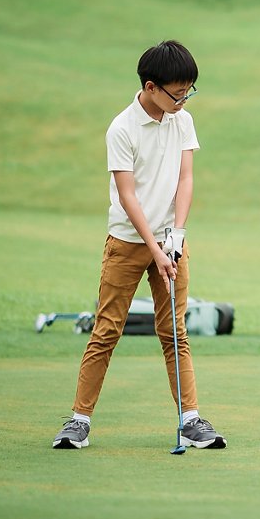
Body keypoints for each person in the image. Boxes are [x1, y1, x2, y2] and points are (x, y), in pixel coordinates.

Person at [52, 40, 226, 450]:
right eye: (177, 93)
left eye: (188, 92)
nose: (184, 100)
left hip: (170, 240)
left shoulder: (183, 121)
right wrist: (154, 248)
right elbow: (128, 197)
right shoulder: (122, 128)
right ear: (151, 87)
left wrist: (177, 235)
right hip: (129, 241)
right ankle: (79, 421)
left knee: (174, 331)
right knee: (107, 328)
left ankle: (191, 419)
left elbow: (185, 179)